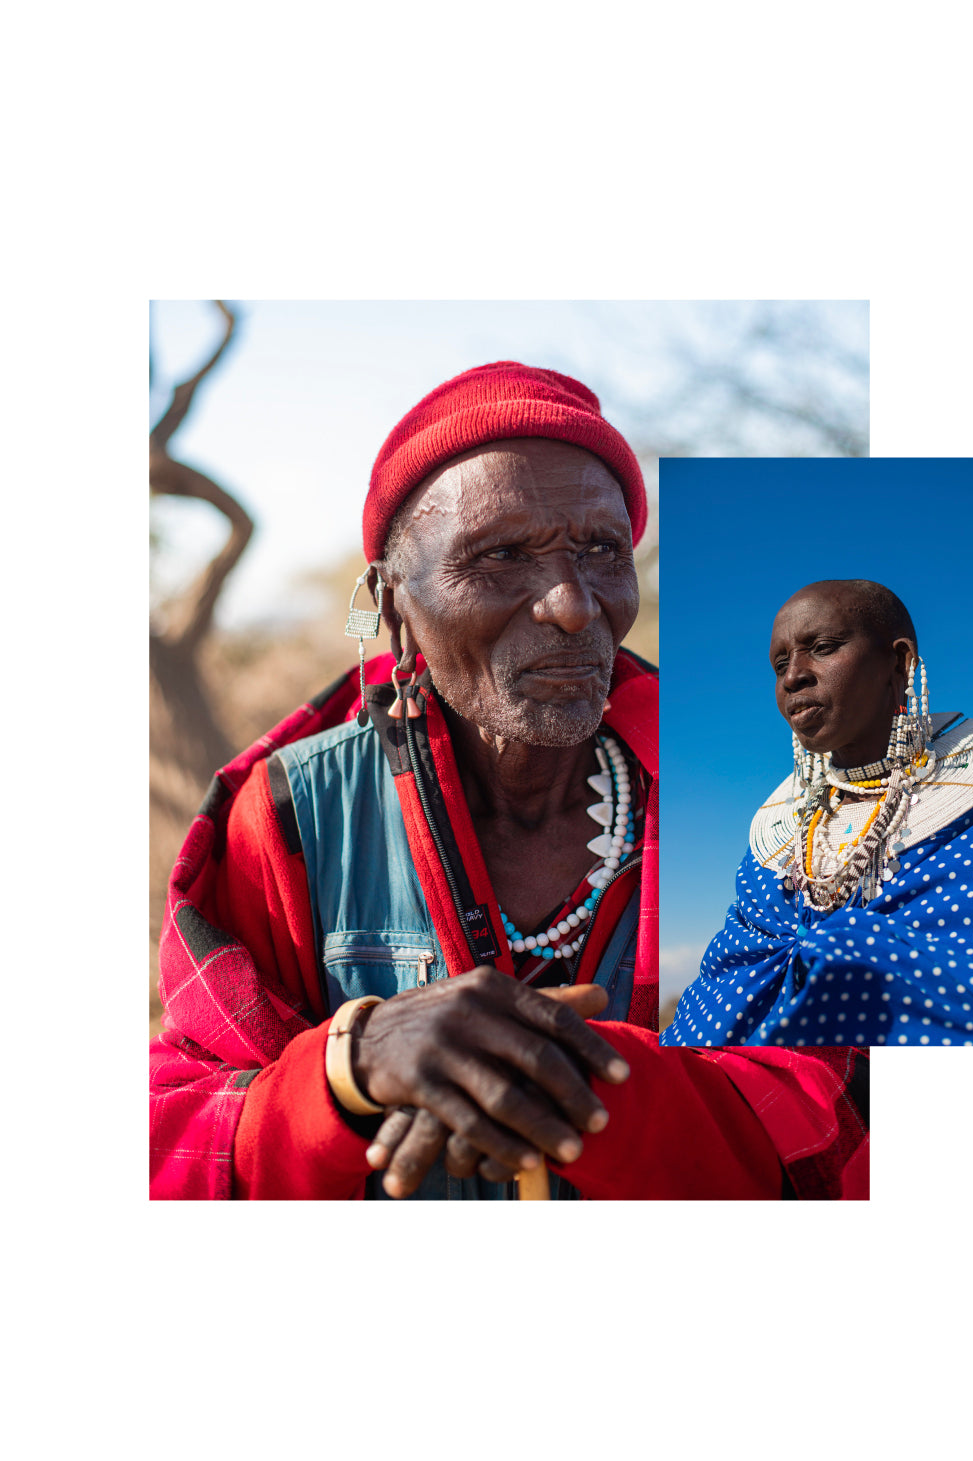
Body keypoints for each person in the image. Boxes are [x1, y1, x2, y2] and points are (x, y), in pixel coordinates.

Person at [150, 363, 869, 1199]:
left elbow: (831, 1113)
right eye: (497, 555)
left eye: (601, 548)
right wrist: (351, 1067)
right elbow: (176, 1139)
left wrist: (553, 1076)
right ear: (393, 607)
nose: (571, 603)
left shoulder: (766, 810)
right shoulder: (288, 818)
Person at [662, 578, 973, 1049]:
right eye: (780, 664)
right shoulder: (774, 852)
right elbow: (726, 987)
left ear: (900, 662)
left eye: (822, 648)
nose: (793, 677)